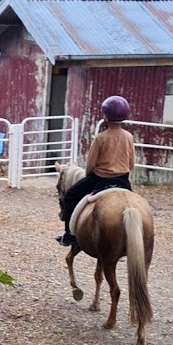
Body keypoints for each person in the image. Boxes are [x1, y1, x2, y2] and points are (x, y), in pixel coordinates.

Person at [56, 95, 135, 246]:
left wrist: (88, 174)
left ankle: (69, 235)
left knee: (71, 195)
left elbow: (91, 165)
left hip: (100, 178)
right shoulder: (129, 136)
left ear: (106, 116)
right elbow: (131, 163)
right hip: (123, 179)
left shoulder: (100, 138)